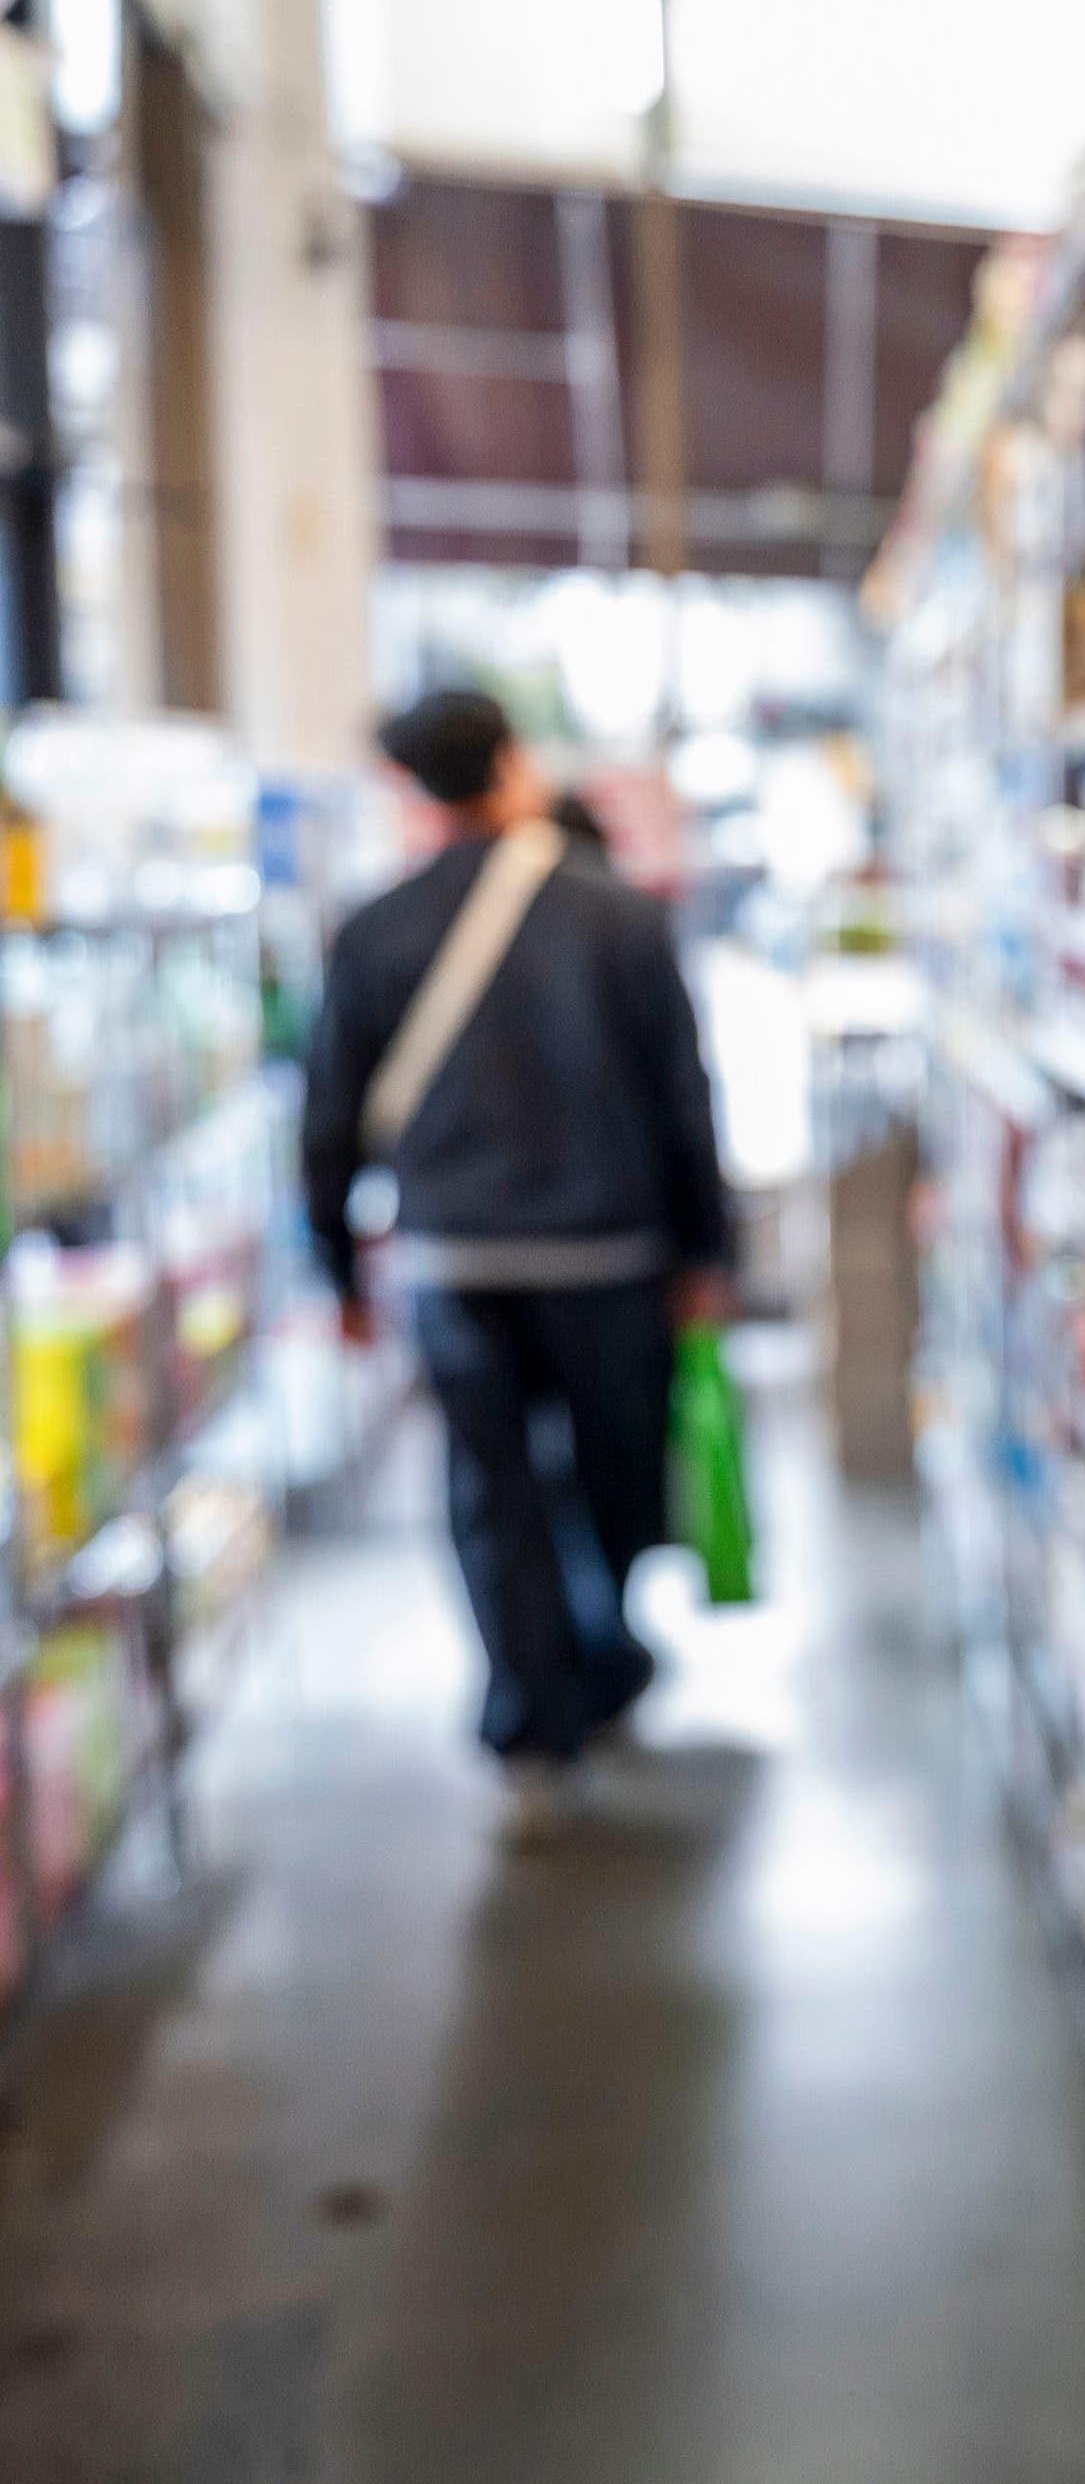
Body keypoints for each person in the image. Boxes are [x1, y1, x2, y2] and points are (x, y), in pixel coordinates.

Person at [303, 688, 733, 1816]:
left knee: (490, 1485)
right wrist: (709, 1249)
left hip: (456, 1260)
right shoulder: (622, 919)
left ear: (413, 788)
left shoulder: (371, 929)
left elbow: (328, 1116)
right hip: (613, 1254)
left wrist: (336, 1268)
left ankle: (525, 1707)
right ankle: (603, 1658)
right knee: (611, 1468)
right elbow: (686, 1097)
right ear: (510, 766)